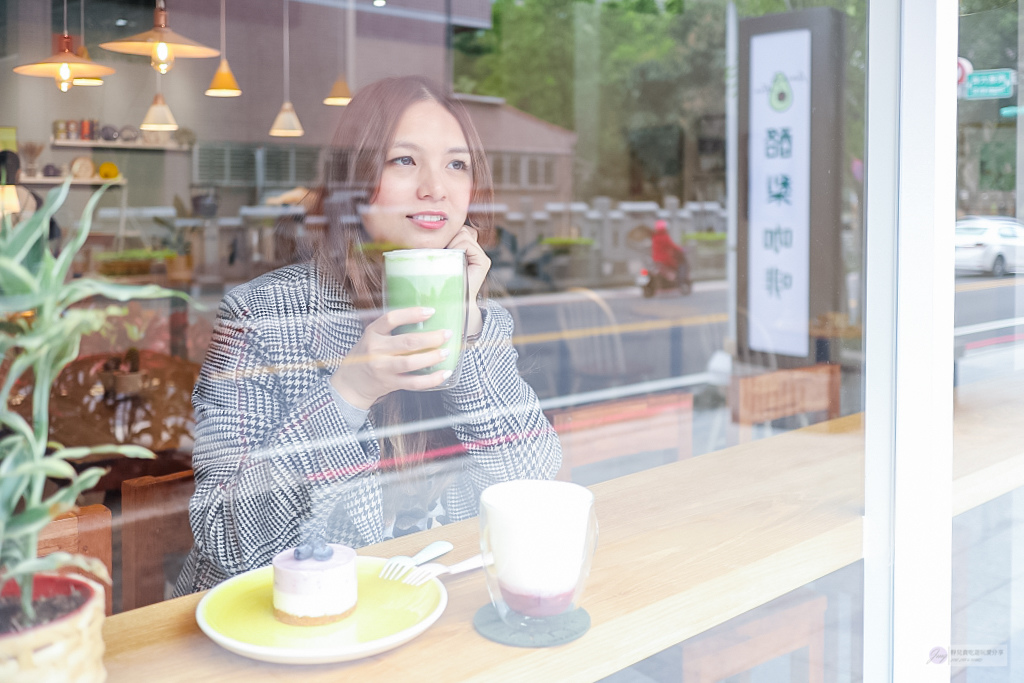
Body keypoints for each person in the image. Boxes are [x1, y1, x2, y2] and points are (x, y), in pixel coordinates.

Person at [175, 76, 562, 594]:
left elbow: (531, 492)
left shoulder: (482, 319)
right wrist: (351, 390)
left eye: (456, 164)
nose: (435, 187)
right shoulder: (261, 314)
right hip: (289, 629)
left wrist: (466, 331)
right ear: (355, 181)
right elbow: (228, 540)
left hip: (426, 614)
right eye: (404, 160)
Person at [650, 219, 689, 287]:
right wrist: (681, 249)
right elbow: (672, 246)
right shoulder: (665, 237)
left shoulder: (655, 237)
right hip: (665, 259)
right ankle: (679, 281)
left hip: (656, 259)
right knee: (678, 266)